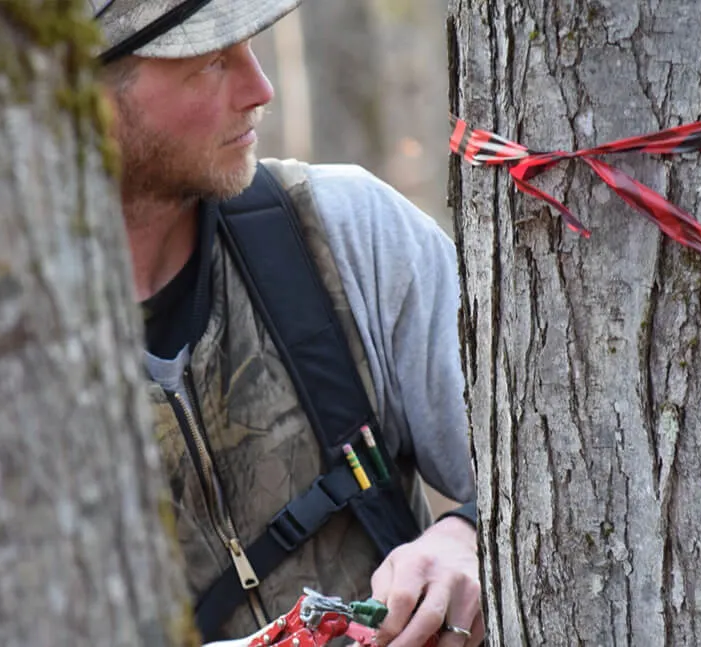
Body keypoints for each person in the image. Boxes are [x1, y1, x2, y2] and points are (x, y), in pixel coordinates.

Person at [92, 2, 483, 645]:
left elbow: (548, 472)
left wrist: (465, 536)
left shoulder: (345, 231)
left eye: (249, 46)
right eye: (211, 63)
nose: (260, 89)